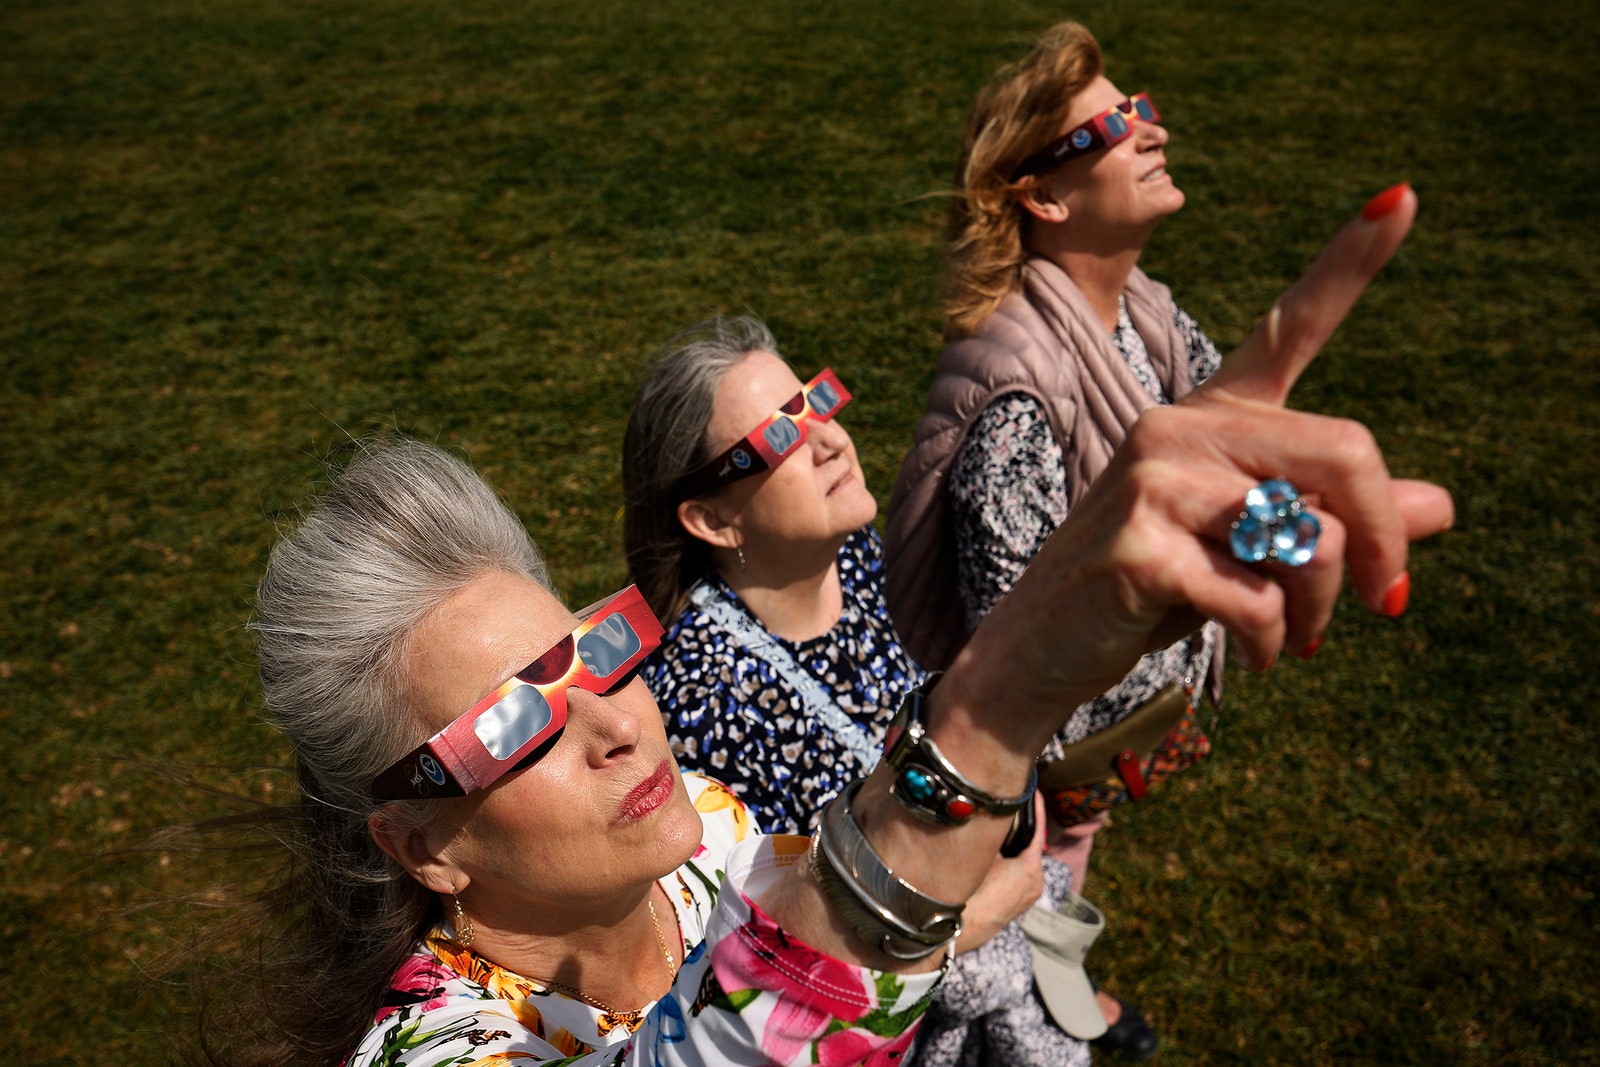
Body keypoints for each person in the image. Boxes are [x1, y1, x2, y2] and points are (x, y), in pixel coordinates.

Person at [193, 185, 1451, 1067]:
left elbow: (817, 923)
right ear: (423, 845)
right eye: (517, 718)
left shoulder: (704, 849)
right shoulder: (427, 1050)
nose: (619, 729)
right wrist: (993, 699)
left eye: (589, 654)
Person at [886, 22, 1230, 1055]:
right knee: (1034, 863)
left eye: (1143, 107)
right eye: (1116, 125)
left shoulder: (1150, 315)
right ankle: (1030, 1014)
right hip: (1038, 749)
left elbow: (1227, 443)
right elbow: (1016, 651)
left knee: (1075, 843)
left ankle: (1055, 973)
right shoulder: (1016, 390)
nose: (1150, 130)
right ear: (1044, 195)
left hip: (1110, 731)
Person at [621, 315, 1090, 1064]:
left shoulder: (867, 557)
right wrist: (977, 913)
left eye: (814, 405)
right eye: (780, 438)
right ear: (711, 518)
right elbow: (750, 955)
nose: (830, 440)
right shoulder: (702, 702)